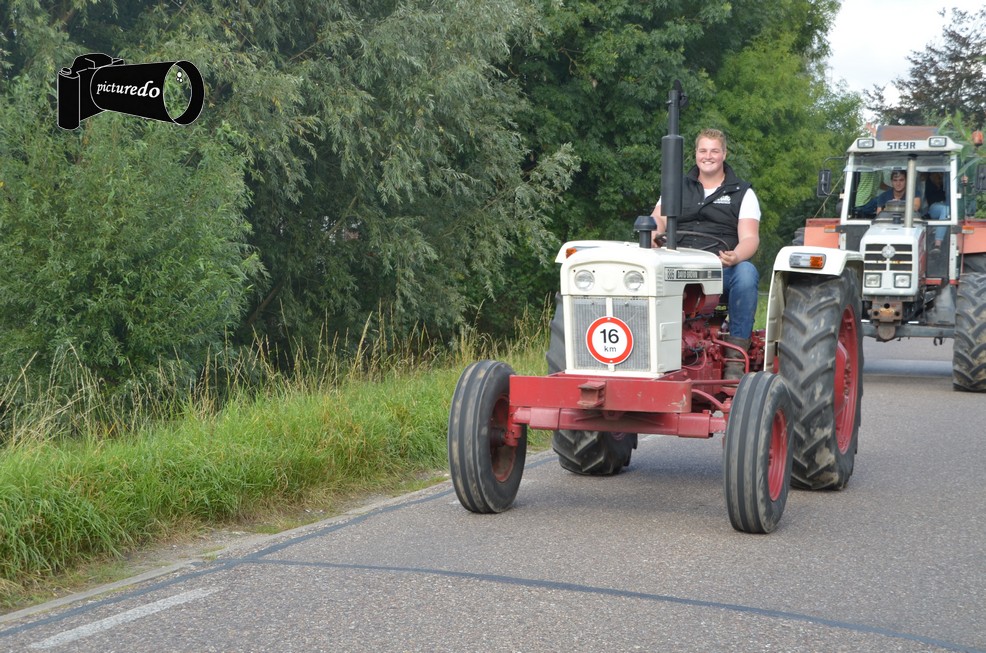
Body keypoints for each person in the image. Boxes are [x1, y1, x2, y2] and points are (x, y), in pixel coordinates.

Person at [650, 128, 761, 380]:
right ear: (695, 154)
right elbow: (658, 218)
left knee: (746, 273)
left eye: (714, 151)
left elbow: (750, 238)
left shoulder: (742, 193)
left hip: (719, 268)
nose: (708, 156)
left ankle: (735, 358)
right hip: (678, 265)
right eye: (703, 150)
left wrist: (736, 256)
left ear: (724, 154)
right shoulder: (676, 186)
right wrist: (654, 233)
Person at [923, 172, 948, 254]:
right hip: (934, 207)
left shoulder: (949, 178)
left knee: (947, 209)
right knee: (946, 209)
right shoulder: (928, 179)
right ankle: (937, 244)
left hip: (947, 206)